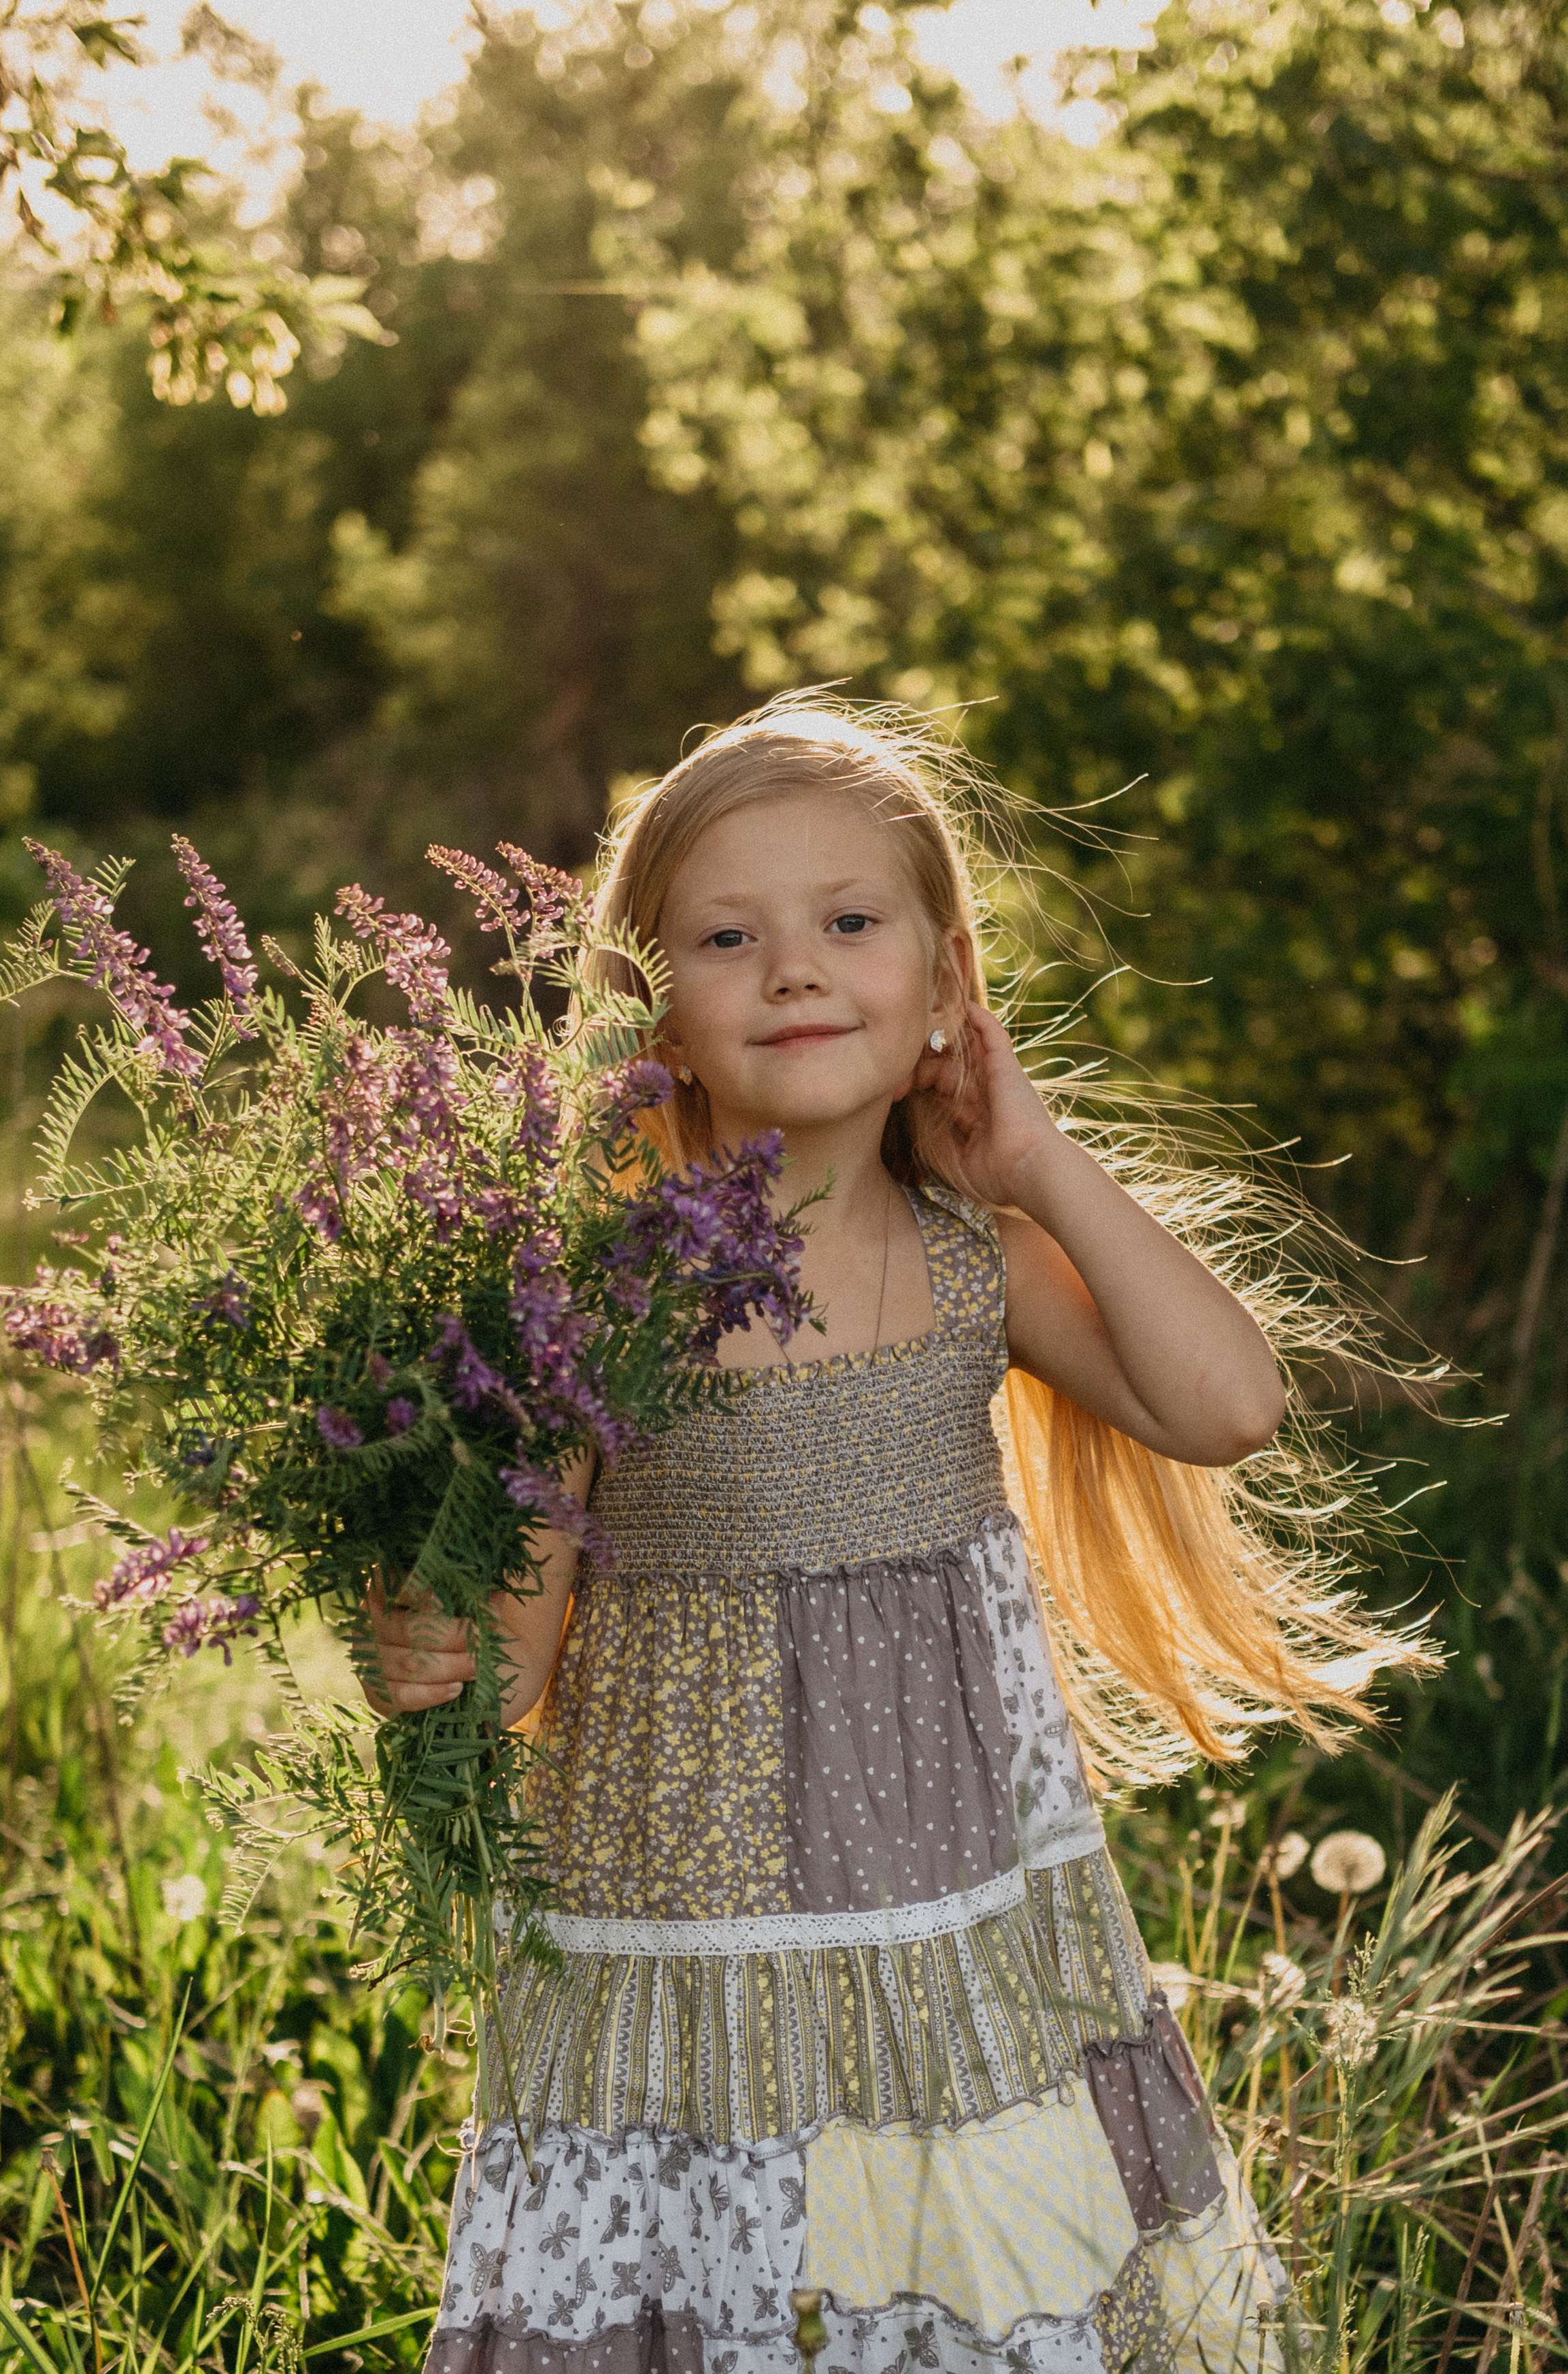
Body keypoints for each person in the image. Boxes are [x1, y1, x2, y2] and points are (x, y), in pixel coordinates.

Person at [371, 700, 1427, 2374]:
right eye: (728, 936)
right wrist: (424, 1637)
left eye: (849, 923)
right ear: (652, 1006)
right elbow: (512, 1661)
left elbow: (1228, 1404)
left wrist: (1036, 1158)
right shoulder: (594, 1296)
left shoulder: (969, 1260)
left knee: (962, 2301)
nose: (794, 970)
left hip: (957, 1934)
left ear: (944, 983)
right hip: (681, 1948)